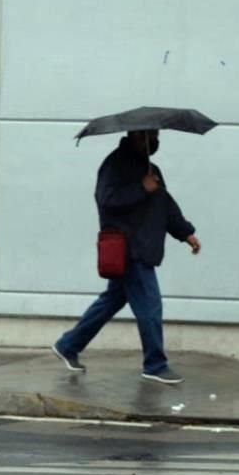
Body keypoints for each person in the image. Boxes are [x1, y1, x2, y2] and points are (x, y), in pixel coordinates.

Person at [52, 129, 200, 384]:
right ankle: (155, 365)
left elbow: (164, 203)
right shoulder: (115, 164)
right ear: (134, 135)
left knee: (111, 301)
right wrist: (141, 188)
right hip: (130, 248)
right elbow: (106, 200)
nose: (153, 140)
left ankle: (68, 345)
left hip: (144, 246)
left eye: (155, 135)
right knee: (150, 305)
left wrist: (186, 233)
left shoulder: (151, 169)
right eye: (148, 135)